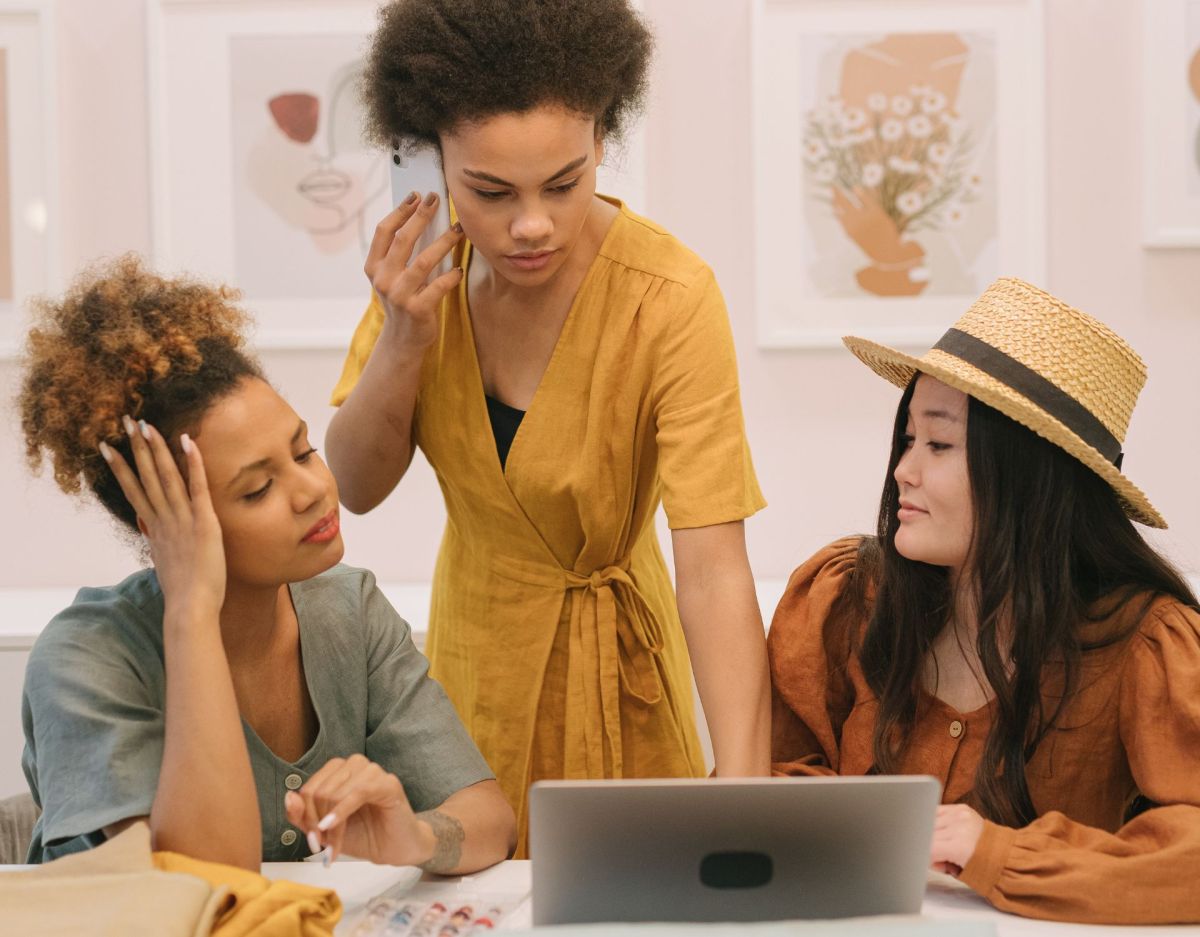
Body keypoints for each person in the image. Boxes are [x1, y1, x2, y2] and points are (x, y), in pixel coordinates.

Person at [327, 0, 770, 852]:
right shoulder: (424, 283)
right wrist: (405, 338)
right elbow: (355, 486)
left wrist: (747, 809)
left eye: (563, 184)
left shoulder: (670, 296)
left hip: (621, 682)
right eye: (490, 192)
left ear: (603, 140)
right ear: (431, 158)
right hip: (470, 670)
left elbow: (714, 572)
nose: (531, 224)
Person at [18, 256, 516, 870]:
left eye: (303, 451)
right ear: (163, 524)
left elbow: (489, 821)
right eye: (256, 490)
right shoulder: (86, 658)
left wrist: (414, 836)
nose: (312, 491)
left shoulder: (348, 609)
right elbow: (200, 881)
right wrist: (193, 613)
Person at [768, 277, 1200, 925]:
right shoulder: (847, 601)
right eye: (908, 439)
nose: (902, 471)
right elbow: (762, 787)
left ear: (1030, 477)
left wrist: (996, 851)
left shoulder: (1146, 645)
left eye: (938, 444)